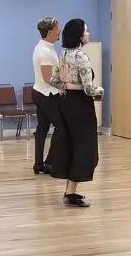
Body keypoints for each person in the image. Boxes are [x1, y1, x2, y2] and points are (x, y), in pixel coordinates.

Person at [47, 19, 102, 207]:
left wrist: (67, 86)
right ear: (79, 35)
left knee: (70, 144)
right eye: (86, 31)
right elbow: (88, 89)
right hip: (80, 106)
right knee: (84, 146)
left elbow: (54, 80)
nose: (88, 34)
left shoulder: (62, 55)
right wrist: (100, 91)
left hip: (65, 102)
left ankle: (70, 191)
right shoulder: (81, 57)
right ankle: (70, 194)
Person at [31, 17, 60, 175]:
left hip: (39, 91)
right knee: (62, 127)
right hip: (47, 94)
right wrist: (66, 84)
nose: (59, 31)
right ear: (50, 32)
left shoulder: (44, 47)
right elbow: (48, 78)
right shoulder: (45, 52)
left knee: (42, 128)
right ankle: (49, 163)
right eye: (57, 28)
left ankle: (38, 164)